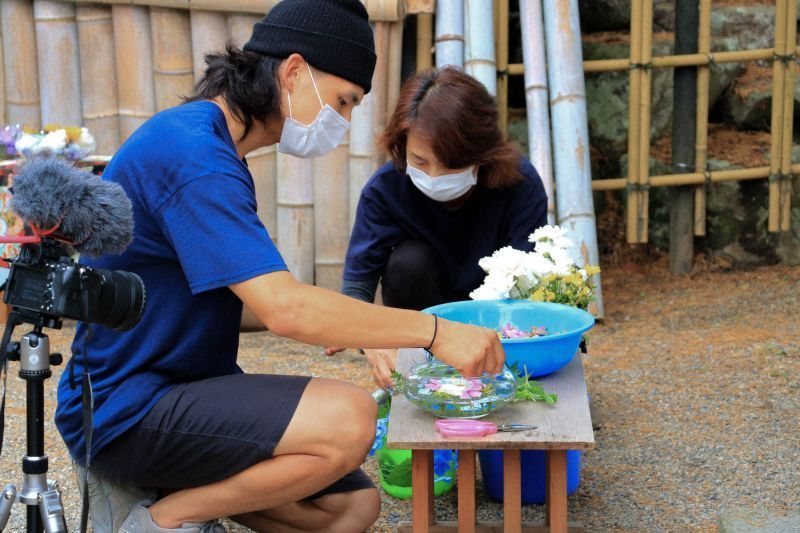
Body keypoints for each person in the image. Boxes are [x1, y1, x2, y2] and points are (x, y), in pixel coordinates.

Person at [54, 2, 505, 532]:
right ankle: (159, 520)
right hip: (125, 409)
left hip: (178, 392)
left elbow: (249, 302)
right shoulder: (195, 156)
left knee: (351, 508)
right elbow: (285, 309)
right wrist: (434, 332)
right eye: (343, 101)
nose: (343, 121)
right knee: (349, 418)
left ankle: (164, 493)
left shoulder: (212, 146)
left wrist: (350, 324)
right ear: (293, 72)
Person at [328, 68, 548, 389]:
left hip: (497, 320)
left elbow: (533, 284)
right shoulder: (385, 190)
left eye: (451, 164)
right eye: (420, 161)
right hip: (421, 321)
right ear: (401, 145)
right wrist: (366, 337)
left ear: (482, 154)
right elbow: (358, 287)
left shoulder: (520, 185)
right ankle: (420, 369)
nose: (434, 176)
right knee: (407, 262)